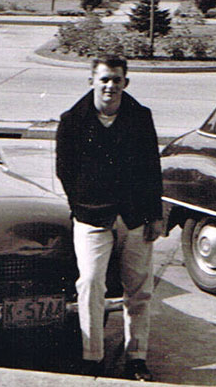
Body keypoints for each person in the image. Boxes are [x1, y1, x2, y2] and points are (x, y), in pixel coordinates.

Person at [56, 54, 163, 381]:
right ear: (92, 81)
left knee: (139, 291)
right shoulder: (73, 120)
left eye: (116, 79)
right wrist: (82, 207)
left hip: (135, 217)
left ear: (125, 83)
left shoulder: (140, 117)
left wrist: (155, 216)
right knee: (90, 283)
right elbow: (65, 171)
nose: (110, 86)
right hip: (91, 217)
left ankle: (136, 358)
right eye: (104, 79)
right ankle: (93, 357)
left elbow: (152, 168)